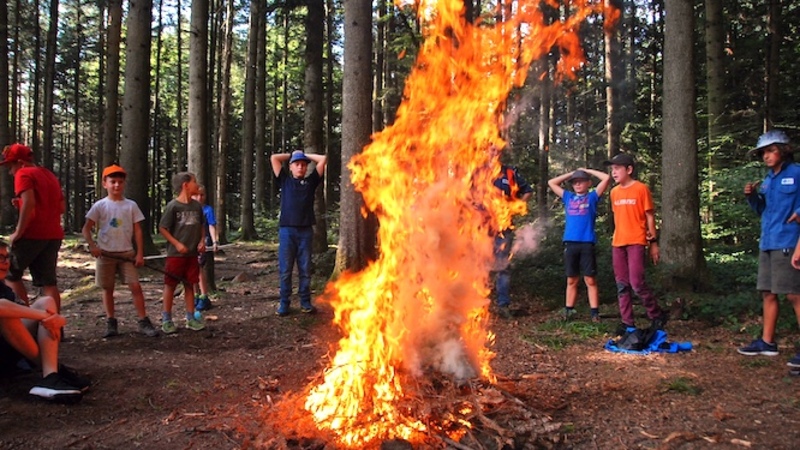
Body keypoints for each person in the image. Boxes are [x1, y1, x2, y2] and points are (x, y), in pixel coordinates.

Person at [737, 130, 800, 369]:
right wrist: (752, 197)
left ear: (783, 151)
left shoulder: (797, 173)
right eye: (763, 152)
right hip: (768, 241)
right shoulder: (768, 180)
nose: (766, 156)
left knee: (794, 294)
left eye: (771, 151)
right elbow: (762, 211)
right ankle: (767, 342)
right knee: (768, 292)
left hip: (790, 241)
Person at [0, 240, 90, 402]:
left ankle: (50, 375)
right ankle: (54, 367)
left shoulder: (4, 289)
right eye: (0, 258)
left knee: (46, 302)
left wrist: (50, 317)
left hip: (10, 352)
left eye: (7, 258)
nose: (6, 263)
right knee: (8, 314)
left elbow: (20, 311)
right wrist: (46, 317)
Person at [82, 164, 159, 338]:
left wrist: (139, 253)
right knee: (107, 288)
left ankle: (143, 320)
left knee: (135, 286)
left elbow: (138, 230)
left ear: (124, 184)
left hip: (126, 254)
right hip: (105, 254)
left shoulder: (130, 205)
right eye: (113, 182)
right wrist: (92, 246)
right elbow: (86, 228)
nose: (116, 185)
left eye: (120, 182)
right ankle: (111, 322)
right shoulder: (100, 206)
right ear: (105, 184)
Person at [603, 153, 667, 333]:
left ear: (629, 169)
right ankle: (628, 323)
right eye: (612, 169)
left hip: (637, 241)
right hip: (618, 242)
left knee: (637, 282)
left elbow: (649, 215)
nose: (614, 172)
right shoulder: (614, 192)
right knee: (622, 284)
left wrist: (653, 242)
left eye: (617, 168)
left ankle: (656, 315)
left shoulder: (641, 189)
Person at [0, 143, 65, 310]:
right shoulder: (49, 175)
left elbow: (30, 202)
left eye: (11, 166)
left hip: (32, 234)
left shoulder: (23, 174)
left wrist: (18, 232)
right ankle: (55, 328)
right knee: (49, 282)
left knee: (10, 275)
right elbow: (61, 207)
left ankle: (23, 320)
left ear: (20, 162)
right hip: (53, 235)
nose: (10, 171)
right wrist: (21, 203)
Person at [548, 168, 611, 322]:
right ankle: (569, 311)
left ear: (588, 183)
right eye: (575, 182)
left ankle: (595, 313)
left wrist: (587, 170)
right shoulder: (568, 197)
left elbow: (606, 178)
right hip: (570, 243)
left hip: (587, 243)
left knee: (590, 279)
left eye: (581, 181)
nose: (578, 184)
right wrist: (572, 173)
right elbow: (551, 182)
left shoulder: (592, 197)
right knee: (571, 279)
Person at [270, 150, 327, 316]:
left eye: (303, 165)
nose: (301, 167)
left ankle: (305, 302)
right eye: (297, 164)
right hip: (287, 231)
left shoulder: (310, 182)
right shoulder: (285, 181)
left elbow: (323, 159)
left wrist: (304, 155)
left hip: (305, 231)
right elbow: (274, 158)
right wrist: (292, 155)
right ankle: (284, 303)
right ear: (291, 167)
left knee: (305, 269)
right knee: (286, 269)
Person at [158, 172, 206, 334]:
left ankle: (190, 318)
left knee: (190, 284)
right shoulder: (173, 206)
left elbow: (201, 225)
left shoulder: (197, 206)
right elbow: (163, 228)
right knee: (170, 285)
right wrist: (177, 244)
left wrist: (201, 241)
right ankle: (166, 319)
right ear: (185, 185)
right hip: (175, 255)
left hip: (192, 255)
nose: (197, 184)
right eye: (194, 182)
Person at [491, 162, 533, 319]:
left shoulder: (509, 173)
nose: (492, 151)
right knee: (477, 265)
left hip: (503, 226)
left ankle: (503, 305)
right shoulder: (476, 171)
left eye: (495, 147)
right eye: (489, 148)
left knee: (503, 265)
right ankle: (472, 305)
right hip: (479, 226)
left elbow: (527, 191)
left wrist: (516, 206)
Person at [192, 185, 218, 312]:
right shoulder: (189, 210)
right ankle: (195, 295)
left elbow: (212, 226)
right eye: (196, 195)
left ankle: (204, 296)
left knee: (198, 268)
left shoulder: (208, 210)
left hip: (203, 242)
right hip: (190, 243)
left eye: (202, 195)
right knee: (191, 270)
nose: (199, 197)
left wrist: (215, 242)